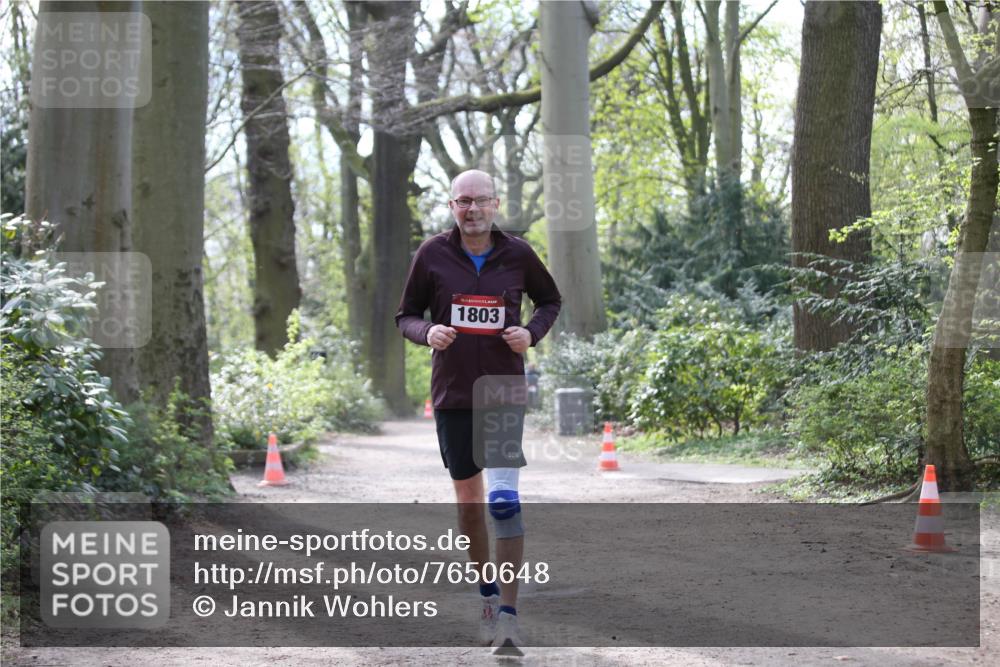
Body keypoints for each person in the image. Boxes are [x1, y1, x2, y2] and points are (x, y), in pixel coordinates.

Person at [395, 169, 561, 655]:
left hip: (502, 388)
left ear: (496, 204)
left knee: (503, 501)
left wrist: (531, 333)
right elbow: (404, 315)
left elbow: (549, 300)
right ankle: (487, 594)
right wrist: (427, 333)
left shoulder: (519, 254)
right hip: (452, 393)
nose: (472, 210)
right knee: (469, 505)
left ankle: (509, 616)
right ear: (452, 207)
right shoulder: (431, 254)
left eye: (480, 201)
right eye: (463, 202)